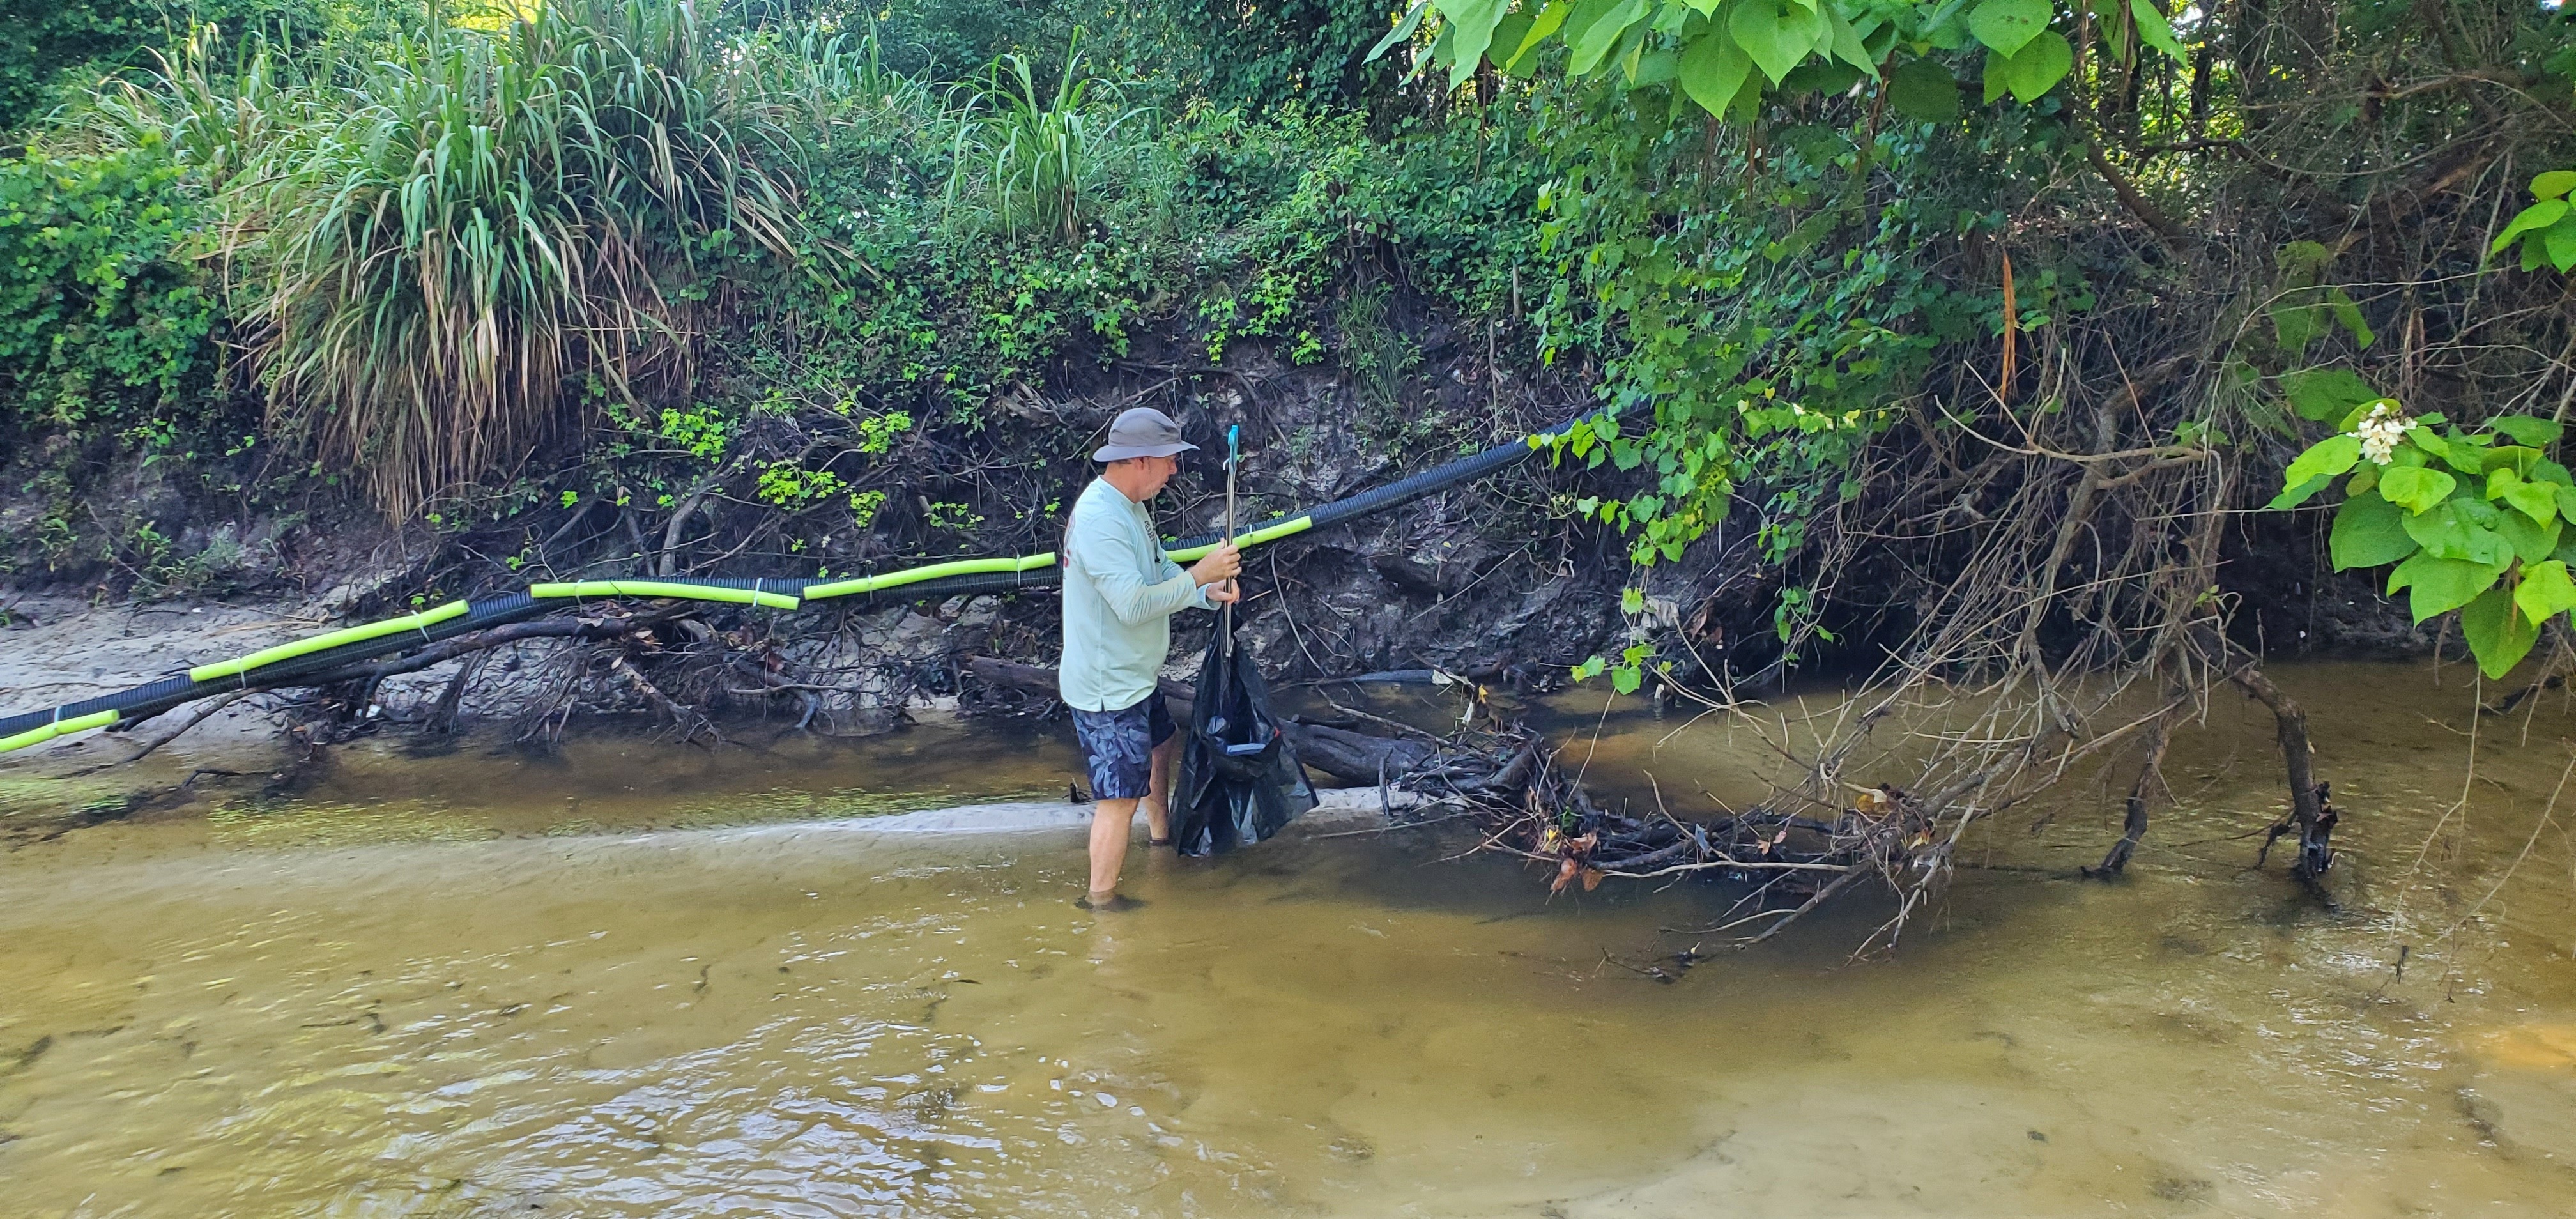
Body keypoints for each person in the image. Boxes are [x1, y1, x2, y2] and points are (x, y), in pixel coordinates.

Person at [1059, 407, 1241, 911]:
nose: (1175, 471)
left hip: (1135, 675)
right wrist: (1202, 573)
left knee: (1162, 740)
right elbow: (1136, 604)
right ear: (1141, 461)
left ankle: (1161, 837)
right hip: (1107, 687)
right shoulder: (1101, 520)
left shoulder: (1131, 507)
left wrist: (1206, 594)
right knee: (1117, 800)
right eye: (1169, 461)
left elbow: (1160, 571)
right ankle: (1100, 902)